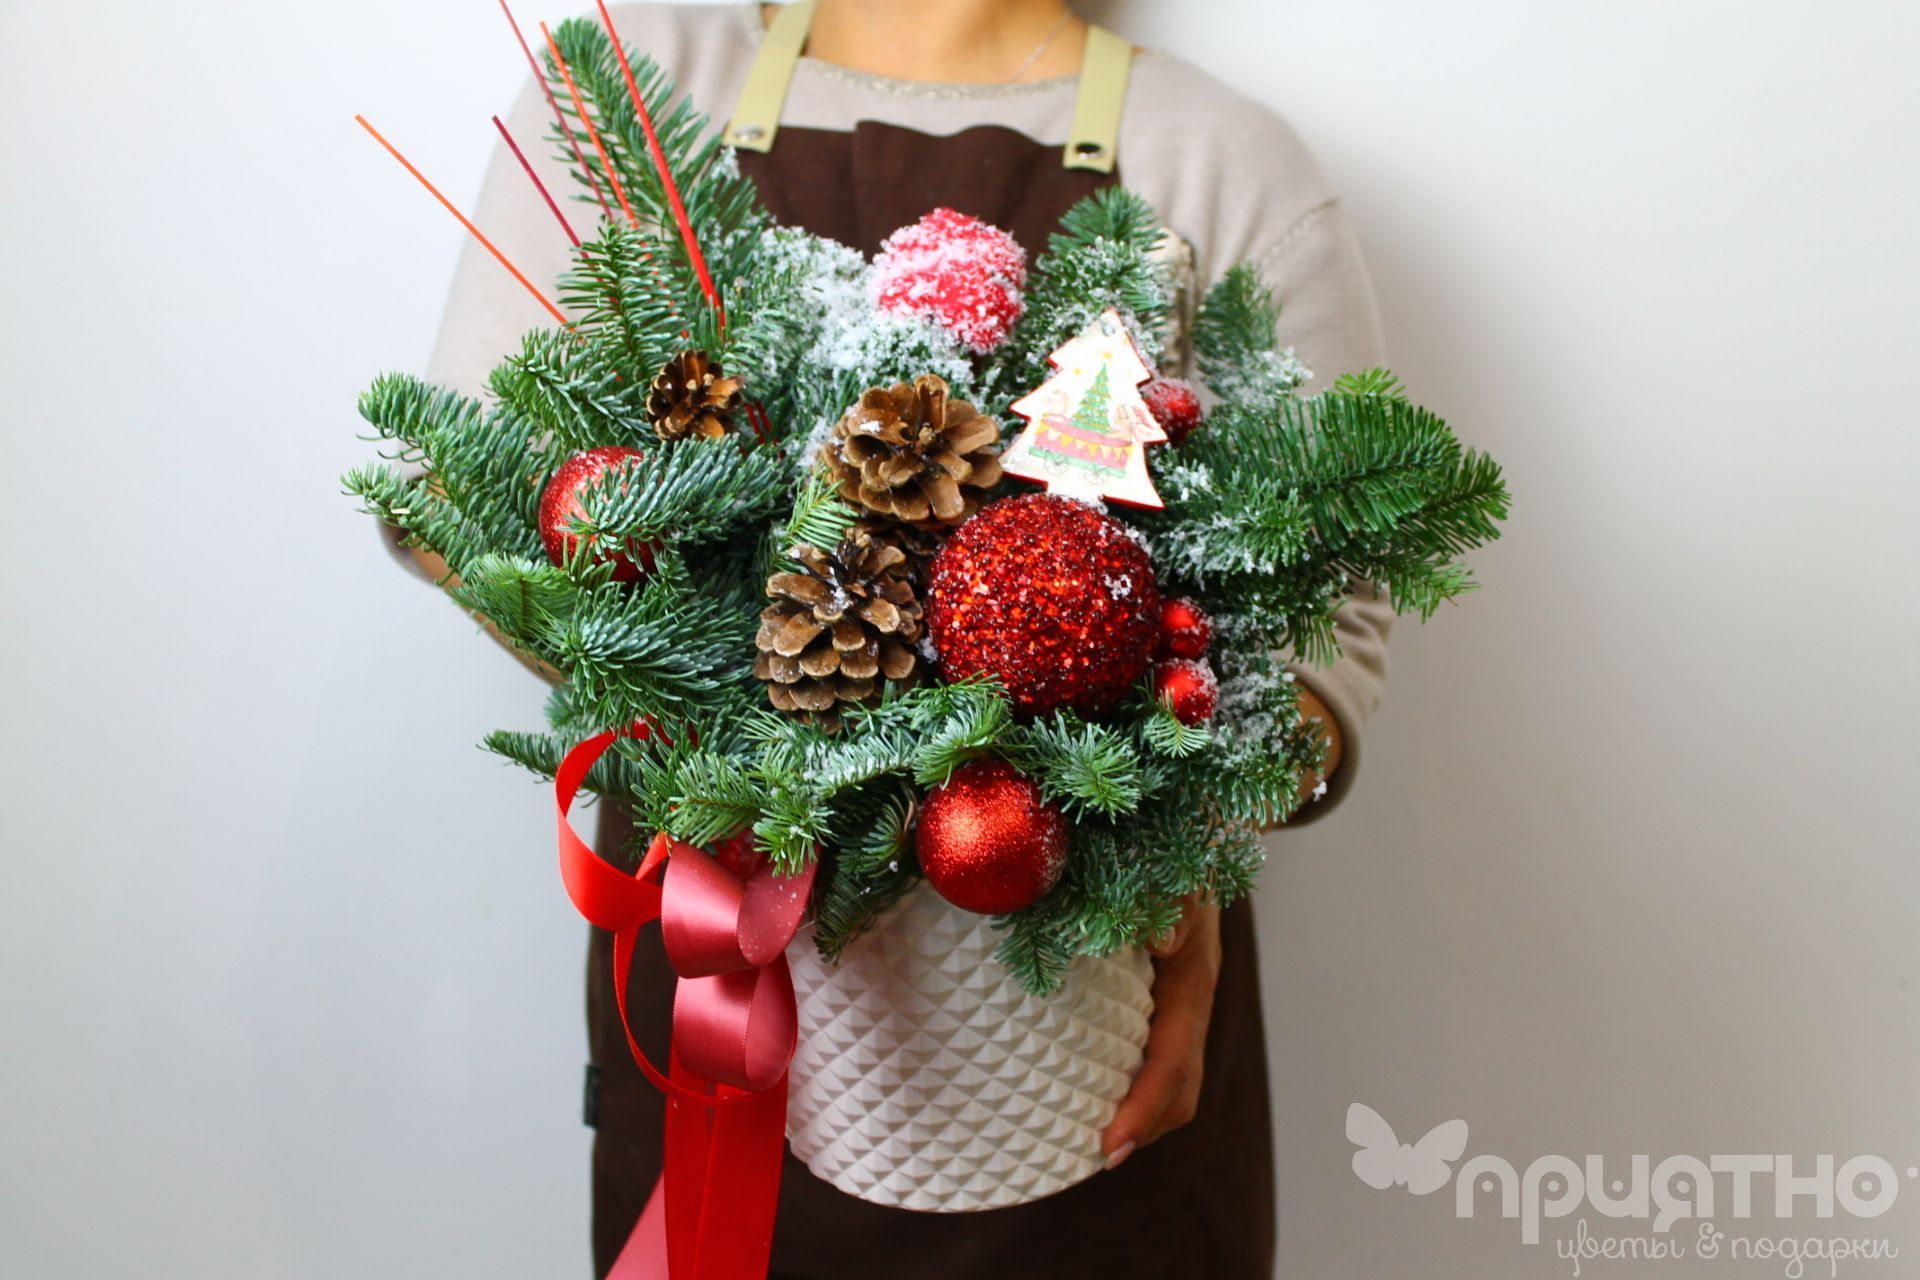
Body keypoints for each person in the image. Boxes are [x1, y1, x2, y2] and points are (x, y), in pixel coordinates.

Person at [404, 3, 1393, 1275]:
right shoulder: (637, 87)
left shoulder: (1218, 156)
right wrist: (743, 734)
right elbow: (458, 494)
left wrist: (1164, 823)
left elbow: (1336, 625)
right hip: (726, 997)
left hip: (1097, 1056)